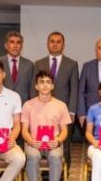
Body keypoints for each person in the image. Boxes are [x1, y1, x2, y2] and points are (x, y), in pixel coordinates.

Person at [21, 71, 72, 181]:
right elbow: (24, 130)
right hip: (34, 143)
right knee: (32, 157)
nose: (45, 85)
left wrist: (58, 140)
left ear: (52, 86)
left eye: (48, 82)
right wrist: (31, 141)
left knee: (56, 157)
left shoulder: (61, 105)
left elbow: (64, 131)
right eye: (41, 82)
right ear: (36, 86)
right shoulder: (28, 105)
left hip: (53, 143)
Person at [33, 31, 79, 166]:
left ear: (63, 45)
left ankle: (64, 174)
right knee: (42, 141)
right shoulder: (38, 63)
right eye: (52, 41)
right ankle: (44, 174)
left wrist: (72, 111)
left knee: (64, 144)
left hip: (64, 111)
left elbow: (74, 88)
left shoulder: (72, 64)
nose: (55, 44)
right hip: (41, 110)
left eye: (58, 42)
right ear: (47, 44)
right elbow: (34, 88)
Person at [0, 31, 34, 105]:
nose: (15, 46)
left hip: (23, 105)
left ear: (22, 46)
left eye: (18, 42)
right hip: (2, 104)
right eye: (12, 42)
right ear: (6, 46)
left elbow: (32, 89)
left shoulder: (29, 64)